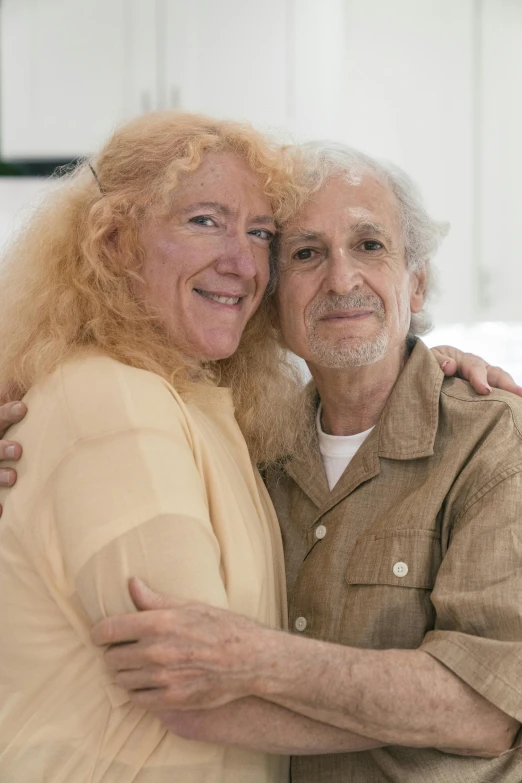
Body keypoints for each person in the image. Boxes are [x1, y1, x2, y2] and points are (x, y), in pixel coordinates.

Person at [0, 128, 519, 781]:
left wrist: (257, 659)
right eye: (304, 253)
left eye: (369, 245)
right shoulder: (250, 442)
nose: (341, 278)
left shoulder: (493, 440)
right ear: (273, 301)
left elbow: (489, 708)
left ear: (416, 286)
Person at [0, 110, 311, 783]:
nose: (243, 262)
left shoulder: (194, 399)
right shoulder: (114, 401)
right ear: (114, 241)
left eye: (261, 233)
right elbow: (202, 683)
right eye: (204, 220)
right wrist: (445, 710)